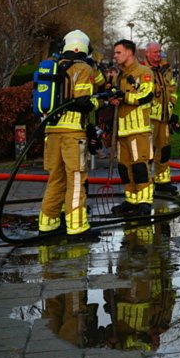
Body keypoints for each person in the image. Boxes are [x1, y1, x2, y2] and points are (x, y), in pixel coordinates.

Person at [38, 30, 106, 238]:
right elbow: (83, 101)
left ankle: (47, 224)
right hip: (72, 133)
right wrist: (101, 100)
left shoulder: (52, 65)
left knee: (56, 179)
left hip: (51, 131)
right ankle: (77, 226)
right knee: (76, 179)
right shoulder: (82, 68)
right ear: (85, 48)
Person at [110, 40, 155, 216]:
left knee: (140, 168)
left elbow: (146, 95)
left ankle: (144, 202)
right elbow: (118, 98)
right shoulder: (118, 76)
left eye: (118, 52)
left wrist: (123, 96)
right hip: (121, 131)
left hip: (138, 130)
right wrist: (113, 99)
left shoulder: (144, 72)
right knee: (124, 169)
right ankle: (132, 201)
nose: (115, 56)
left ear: (129, 53)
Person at [143, 42, 178, 195]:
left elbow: (172, 88)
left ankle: (163, 181)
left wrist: (172, 103)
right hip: (148, 119)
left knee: (164, 150)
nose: (158, 54)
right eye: (155, 52)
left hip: (165, 118)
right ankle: (145, 183)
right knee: (147, 153)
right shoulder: (142, 70)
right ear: (147, 53)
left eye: (159, 52)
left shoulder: (166, 68)